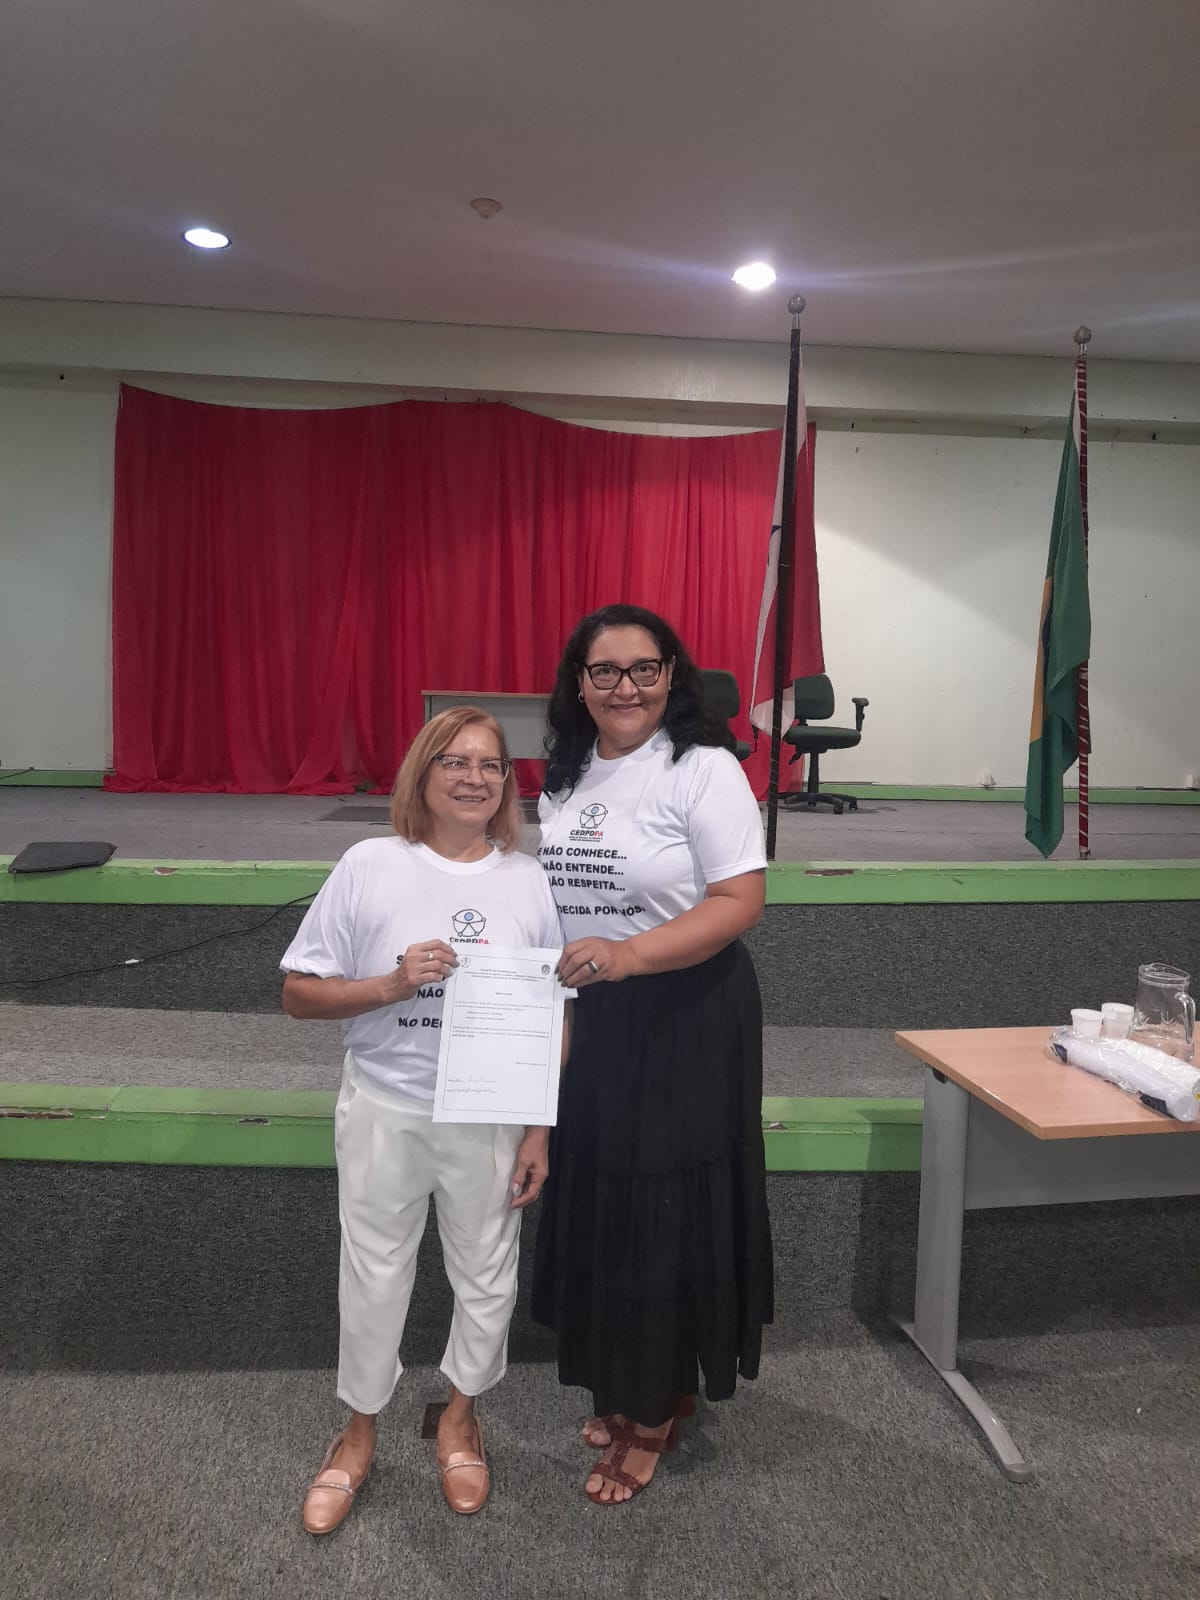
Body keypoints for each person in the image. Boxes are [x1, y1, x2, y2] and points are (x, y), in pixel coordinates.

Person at [281, 707, 567, 1532]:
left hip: (489, 1116)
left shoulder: (526, 878)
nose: (475, 778)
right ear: (423, 772)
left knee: (487, 1275)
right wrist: (390, 985)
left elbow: (553, 1012)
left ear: (506, 783)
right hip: (387, 1104)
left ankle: (459, 1418)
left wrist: (539, 1127)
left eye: (491, 765)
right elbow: (298, 994)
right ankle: (358, 1432)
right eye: (455, 761)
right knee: (373, 1275)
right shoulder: (370, 865)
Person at [532, 602, 773, 1505]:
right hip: (593, 1011)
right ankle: (628, 1377)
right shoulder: (565, 774)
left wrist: (631, 955)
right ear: (580, 683)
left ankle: (655, 1406)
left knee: (665, 1205)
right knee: (604, 1192)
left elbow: (740, 902)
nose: (625, 686)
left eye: (645, 668)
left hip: (685, 1010)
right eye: (605, 670)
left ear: (672, 675)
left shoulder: (702, 768)